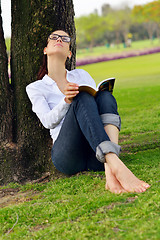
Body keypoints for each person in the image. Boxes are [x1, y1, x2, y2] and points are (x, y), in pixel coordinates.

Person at [26, 30, 150, 194]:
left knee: (105, 96)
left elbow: (96, 107)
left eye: (65, 39)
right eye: (54, 38)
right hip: (67, 156)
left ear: (69, 53)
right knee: (81, 97)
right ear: (45, 49)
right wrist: (67, 101)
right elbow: (47, 122)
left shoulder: (81, 75)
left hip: (95, 153)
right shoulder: (36, 87)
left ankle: (109, 166)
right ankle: (116, 165)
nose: (59, 40)